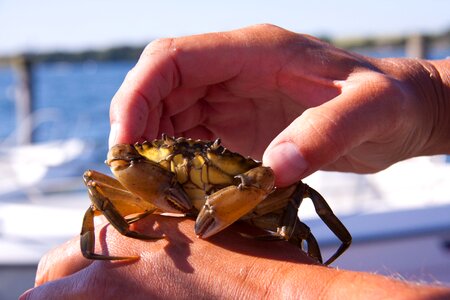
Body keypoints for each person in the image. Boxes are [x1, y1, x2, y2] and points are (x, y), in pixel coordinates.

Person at [20, 24, 449, 299]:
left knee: (295, 219)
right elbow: (105, 180)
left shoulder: (267, 186)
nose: (193, 166)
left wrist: (270, 287)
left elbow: (294, 214)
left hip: (250, 202)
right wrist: (429, 100)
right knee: (98, 193)